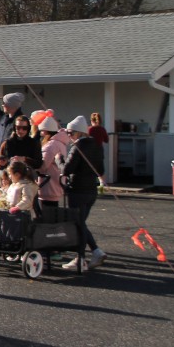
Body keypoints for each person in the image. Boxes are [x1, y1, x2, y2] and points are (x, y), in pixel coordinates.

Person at [57, 115, 107, 271]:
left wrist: (59, 160)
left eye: (70, 133)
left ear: (78, 132)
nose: (69, 136)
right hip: (91, 190)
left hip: (77, 190)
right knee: (81, 223)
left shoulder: (77, 147)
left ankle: (81, 259)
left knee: (78, 224)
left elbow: (67, 169)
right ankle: (95, 252)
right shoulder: (97, 146)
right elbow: (101, 170)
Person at [36, 115, 69, 211]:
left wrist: (33, 166)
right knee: (53, 212)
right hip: (56, 183)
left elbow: (43, 166)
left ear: (46, 131)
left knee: (47, 213)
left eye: (42, 131)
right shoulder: (60, 143)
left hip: (48, 185)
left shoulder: (51, 145)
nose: (41, 134)